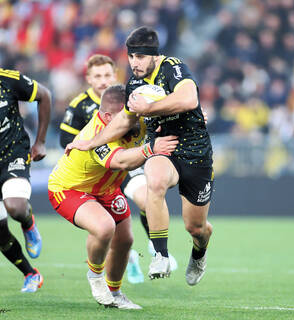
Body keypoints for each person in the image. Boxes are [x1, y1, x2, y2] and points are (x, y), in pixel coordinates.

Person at [66, 26, 214, 286]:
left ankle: (199, 252)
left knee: (197, 229)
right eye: (131, 57)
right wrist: (92, 141)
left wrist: (151, 107)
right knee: (153, 180)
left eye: (140, 57)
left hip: (195, 150)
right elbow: (124, 119)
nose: (135, 63)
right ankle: (161, 255)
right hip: (163, 146)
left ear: (154, 56)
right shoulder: (134, 82)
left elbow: (190, 99)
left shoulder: (173, 67)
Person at [49, 84, 178, 309]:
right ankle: (95, 275)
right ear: (108, 117)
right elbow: (120, 162)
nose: (132, 118)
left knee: (125, 239)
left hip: (106, 189)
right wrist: (151, 148)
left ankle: (115, 293)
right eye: (125, 114)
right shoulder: (96, 135)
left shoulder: (136, 118)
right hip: (70, 189)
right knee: (105, 227)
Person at [0, 67, 51, 292]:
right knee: (0, 232)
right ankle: (31, 273)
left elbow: (45, 95)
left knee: (15, 206)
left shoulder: (8, 79)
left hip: (13, 153)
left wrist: (40, 141)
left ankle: (28, 223)